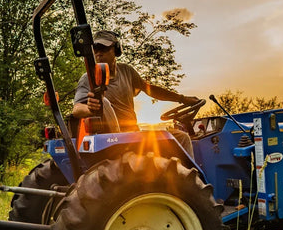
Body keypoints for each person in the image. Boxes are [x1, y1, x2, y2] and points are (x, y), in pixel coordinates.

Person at [71, 30, 199, 154]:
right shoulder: (88, 79)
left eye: (104, 49)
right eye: (95, 50)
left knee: (177, 138)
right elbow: (76, 109)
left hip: (134, 134)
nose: (98, 53)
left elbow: (151, 90)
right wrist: (90, 109)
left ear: (116, 50)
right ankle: (192, 174)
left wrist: (182, 99)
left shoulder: (126, 71)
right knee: (182, 138)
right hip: (115, 140)